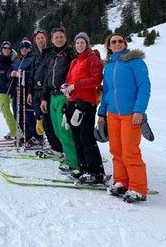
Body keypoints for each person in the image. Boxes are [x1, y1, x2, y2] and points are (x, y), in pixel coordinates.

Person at [97, 33, 151, 203]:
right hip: (113, 115)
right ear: (109, 47)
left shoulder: (136, 63)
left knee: (130, 151)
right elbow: (106, 92)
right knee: (116, 151)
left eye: (120, 41)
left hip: (131, 115)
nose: (117, 43)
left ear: (125, 44)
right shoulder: (110, 66)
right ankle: (121, 182)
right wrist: (101, 114)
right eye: (114, 42)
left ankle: (138, 188)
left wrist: (139, 110)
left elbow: (144, 86)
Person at [63, 32, 105, 184]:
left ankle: (96, 171)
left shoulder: (92, 59)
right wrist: (66, 86)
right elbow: (68, 79)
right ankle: (83, 167)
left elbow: (96, 79)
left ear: (87, 44)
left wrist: (76, 85)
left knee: (86, 136)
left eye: (82, 42)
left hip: (86, 102)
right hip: (73, 101)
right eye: (77, 43)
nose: (79, 45)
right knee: (76, 136)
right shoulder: (75, 61)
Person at [40, 27, 78, 171]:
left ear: (65, 38)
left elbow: (81, 58)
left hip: (64, 96)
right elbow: (47, 79)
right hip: (52, 96)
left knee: (65, 130)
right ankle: (68, 154)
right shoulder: (52, 56)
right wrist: (44, 98)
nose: (59, 39)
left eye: (61, 37)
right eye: (56, 37)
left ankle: (73, 161)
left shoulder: (70, 53)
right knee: (57, 130)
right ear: (52, 39)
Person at [27, 28, 63, 153]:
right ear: (35, 41)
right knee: (41, 119)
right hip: (36, 91)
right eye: (38, 38)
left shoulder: (51, 52)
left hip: (46, 91)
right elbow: (32, 74)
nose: (40, 40)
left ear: (46, 39)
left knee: (49, 121)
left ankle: (57, 147)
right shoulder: (36, 55)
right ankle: (53, 145)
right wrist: (30, 92)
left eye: (42, 37)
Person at [8, 38, 37, 145]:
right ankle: (26, 135)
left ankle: (36, 136)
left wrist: (24, 73)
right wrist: (12, 73)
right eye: (22, 47)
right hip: (17, 90)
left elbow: (35, 72)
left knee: (29, 116)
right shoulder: (17, 61)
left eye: (27, 47)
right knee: (17, 115)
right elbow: (9, 70)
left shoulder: (33, 58)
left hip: (28, 90)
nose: (24, 49)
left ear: (30, 48)